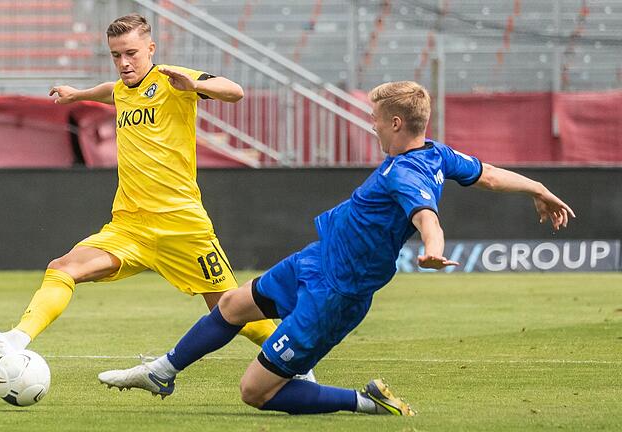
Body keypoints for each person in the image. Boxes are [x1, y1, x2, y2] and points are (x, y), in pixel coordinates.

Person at [97, 81, 575, 416]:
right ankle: (162, 371)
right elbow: (488, 174)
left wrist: (433, 248)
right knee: (232, 304)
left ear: (394, 121)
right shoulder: (437, 153)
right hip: (316, 260)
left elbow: (426, 215)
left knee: (254, 393)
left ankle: (367, 401)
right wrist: (537, 187)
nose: (370, 126)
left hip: (337, 294)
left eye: (374, 119)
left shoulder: (406, 174)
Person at [0, 13, 282, 368]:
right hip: (130, 227)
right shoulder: (121, 89)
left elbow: (235, 92)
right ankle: (14, 340)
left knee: (231, 310)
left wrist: (195, 86)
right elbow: (109, 93)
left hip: (182, 227)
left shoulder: (172, 80)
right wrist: (76, 94)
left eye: (131, 53)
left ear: (150, 49)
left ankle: (296, 361)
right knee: (62, 268)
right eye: (115, 55)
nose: (124, 63)